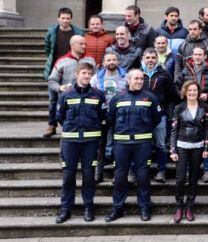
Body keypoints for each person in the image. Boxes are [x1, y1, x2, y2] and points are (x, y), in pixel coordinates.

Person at [105, 69, 162, 222]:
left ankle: (144, 207)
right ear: (128, 80)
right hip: (122, 143)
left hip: (142, 143)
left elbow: (156, 119)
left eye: (141, 79)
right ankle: (117, 208)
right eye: (135, 78)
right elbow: (110, 119)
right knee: (119, 177)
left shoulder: (150, 98)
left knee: (143, 177)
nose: (139, 81)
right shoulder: (117, 98)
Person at [55, 62, 105, 224]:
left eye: (89, 74)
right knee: (69, 176)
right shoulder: (66, 95)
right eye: (83, 73)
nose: (86, 76)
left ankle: (88, 208)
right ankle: (65, 209)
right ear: (77, 74)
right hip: (70, 141)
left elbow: (102, 116)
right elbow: (60, 117)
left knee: (89, 176)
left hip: (90, 142)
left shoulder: (98, 94)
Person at [169, 80, 208, 223]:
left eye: (195, 90)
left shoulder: (205, 107)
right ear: (185, 92)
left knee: (193, 178)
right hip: (181, 146)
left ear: (198, 92)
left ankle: (189, 207)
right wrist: (172, 149)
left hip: (198, 147)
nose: (192, 93)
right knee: (180, 179)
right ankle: (179, 207)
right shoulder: (179, 108)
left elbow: (207, 130)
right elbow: (174, 129)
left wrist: (206, 148)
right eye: (189, 90)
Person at [46, 35, 94, 137]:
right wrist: (59, 88)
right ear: (72, 45)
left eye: (85, 43)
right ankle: (52, 124)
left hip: (87, 96)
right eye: (81, 44)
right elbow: (52, 80)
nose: (84, 46)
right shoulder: (62, 61)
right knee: (52, 96)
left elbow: (96, 78)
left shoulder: (90, 60)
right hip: (69, 98)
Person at [90, 52, 127, 182]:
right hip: (101, 113)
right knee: (100, 143)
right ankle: (98, 173)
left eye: (114, 59)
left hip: (120, 113)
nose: (111, 62)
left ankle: (117, 174)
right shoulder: (96, 77)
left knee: (118, 143)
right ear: (104, 62)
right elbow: (91, 93)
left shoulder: (125, 76)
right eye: (108, 60)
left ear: (118, 61)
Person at [140, 48, 174, 184]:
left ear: (157, 59)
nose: (150, 60)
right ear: (143, 58)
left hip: (160, 115)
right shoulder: (138, 74)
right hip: (141, 116)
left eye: (153, 58)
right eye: (147, 58)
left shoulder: (164, 74)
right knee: (142, 144)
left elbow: (171, 95)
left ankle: (162, 170)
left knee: (160, 144)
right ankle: (140, 171)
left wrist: (167, 112)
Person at [44, 7, 84, 79]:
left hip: (72, 64)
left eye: (68, 18)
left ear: (71, 19)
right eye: (63, 18)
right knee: (54, 87)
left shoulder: (78, 33)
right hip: (56, 64)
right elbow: (48, 48)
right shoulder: (52, 32)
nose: (65, 21)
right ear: (58, 19)